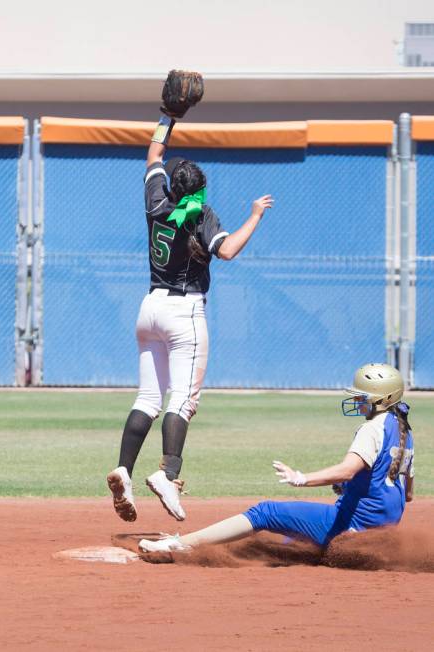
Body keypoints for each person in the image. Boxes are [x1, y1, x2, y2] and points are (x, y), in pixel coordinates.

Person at [107, 109, 274, 523]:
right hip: (185, 310)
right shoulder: (201, 213)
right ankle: (168, 474)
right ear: (198, 190)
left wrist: (168, 116)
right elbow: (228, 250)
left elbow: (153, 155)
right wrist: (255, 214)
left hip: (150, 309)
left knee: (148, 397)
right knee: (182, 399)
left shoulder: (156, 199)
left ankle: (123, 470)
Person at [137, 363, 415, 556]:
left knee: (266, 512)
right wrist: (352, 488)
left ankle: (181, 544)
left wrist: (302, 478)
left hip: (352, 527)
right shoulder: (404, 431)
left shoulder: (372, 427)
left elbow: (347, 470)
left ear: (382, 399)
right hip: (381, 531)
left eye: (362, 398)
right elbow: (406, 492)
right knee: (285, 541)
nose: (357, 402)